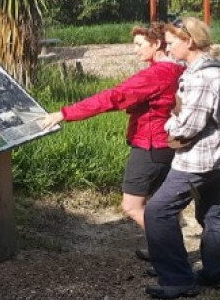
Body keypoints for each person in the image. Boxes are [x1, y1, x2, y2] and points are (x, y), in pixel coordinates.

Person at [39, 22, 185, 235]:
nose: (135, 50)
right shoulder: (178, 68)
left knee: (132, 206)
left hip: (150, 145)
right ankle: (168, 249)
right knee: (160, 205)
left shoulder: (156, 74)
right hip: (168, 143)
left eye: (139, 44)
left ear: (156, 44)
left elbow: (113, 97)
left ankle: (169, 250)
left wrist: (64, 113)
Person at [143, 16, 220, 299]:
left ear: (189, 42)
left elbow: (187, 127)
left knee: (157, 211)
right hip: (219, 156)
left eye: (172, 43)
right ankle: (218, 274)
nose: (168, 48)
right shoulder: (216, 67)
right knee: (212, 211)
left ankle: (177, 279)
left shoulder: (203, 78)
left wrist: (167, 125)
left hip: (197, 160)